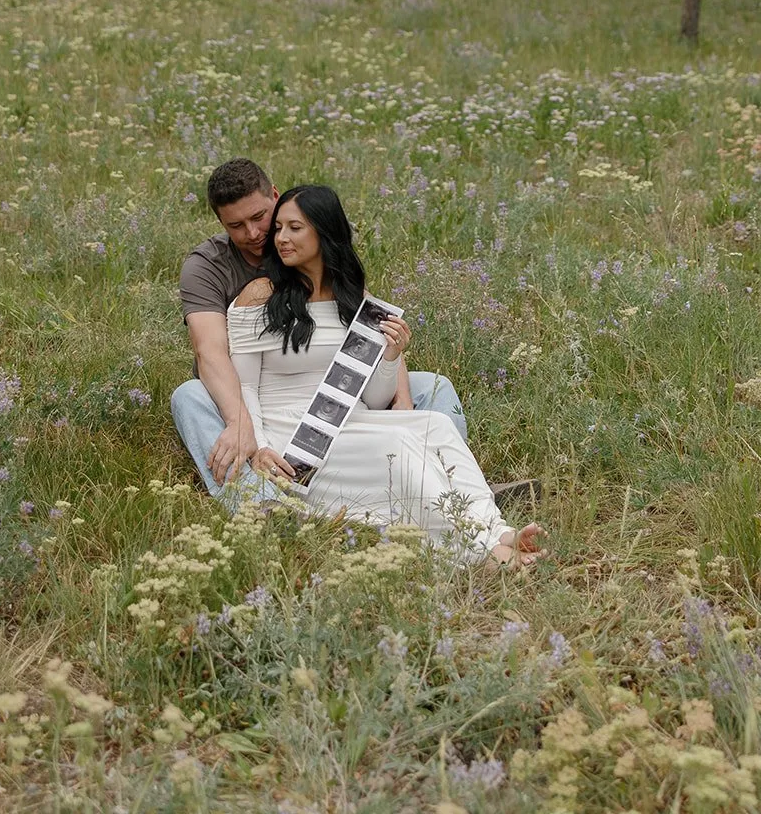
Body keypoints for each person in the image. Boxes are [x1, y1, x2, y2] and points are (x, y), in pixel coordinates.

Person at [229, 184, 546, 566]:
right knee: (400, 442)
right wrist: (261, 447)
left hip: (352, 420)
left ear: (324, 231)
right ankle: (483, 552)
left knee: (436, 426)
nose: (281, 238)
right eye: (278, 227)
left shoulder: (353, 296)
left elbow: (375, 399)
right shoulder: (261, 295)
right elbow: (243, 385)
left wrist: (392, 356)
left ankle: (497, 529)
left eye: (294, 228)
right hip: (292, 435)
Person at [171, 157, 468, 504]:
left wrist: (401, 397)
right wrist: (240, 422)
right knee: (189, 396)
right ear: (221, 222)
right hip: (242, 391)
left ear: (276, 199)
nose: (253, 233)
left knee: (433, 387)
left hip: (327, 384)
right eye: (236, 225)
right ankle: (258, 502)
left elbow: (367, 322)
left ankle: (457, 491)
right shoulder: (207, 266)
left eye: (259, 217)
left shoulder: (307, 244)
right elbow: (210, 352)